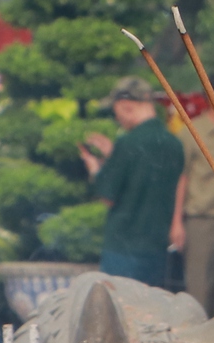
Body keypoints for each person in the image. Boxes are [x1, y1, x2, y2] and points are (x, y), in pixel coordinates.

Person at [79, 77, 185, 289]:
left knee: (118, 307)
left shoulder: (127, 143)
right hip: (158, 246)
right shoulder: (174, 143)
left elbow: (107, 196)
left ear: (125, 106)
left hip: (123, 245)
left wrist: (95, 169)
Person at [171, 83, 214, 315]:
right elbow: (181, 177)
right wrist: (177, 221)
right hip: (201, 220)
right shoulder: (192, 132)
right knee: (199, 288)